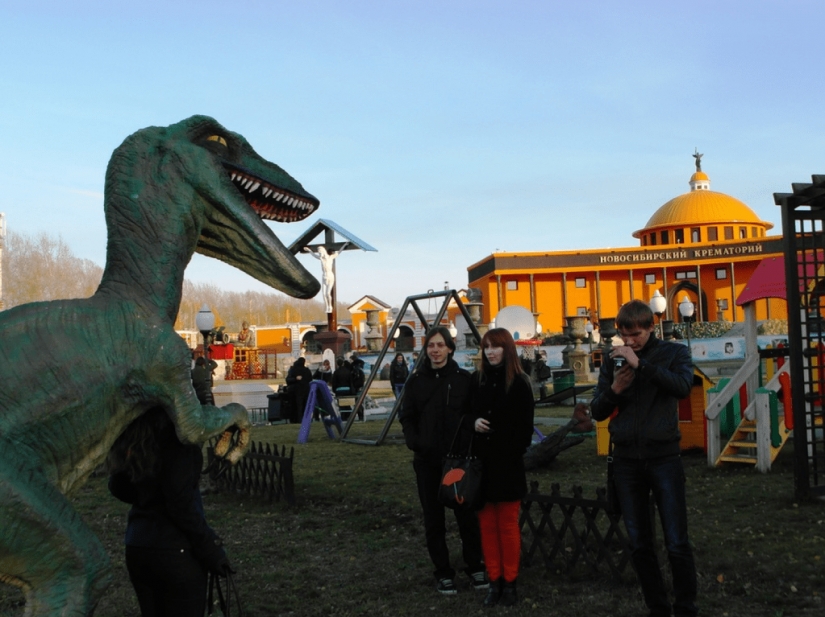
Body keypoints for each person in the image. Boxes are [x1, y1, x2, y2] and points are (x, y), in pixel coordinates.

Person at [590, 300, 698, 617]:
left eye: (635, 334)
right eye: (624, 335)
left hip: (664, 457)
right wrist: (614, 389)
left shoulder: (674, 354)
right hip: (626, 461)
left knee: (676, 540)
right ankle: (658, 607)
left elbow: (681, 387)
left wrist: (641, 365)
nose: (629, 341)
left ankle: (686, 607)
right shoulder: (613, 360)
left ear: (651, 328)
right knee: (639, 542)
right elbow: (598, 410)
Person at [108, 409, 232, 616]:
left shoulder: (135, 437)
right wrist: (210, 547)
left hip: (138, 546)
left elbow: (118, 487)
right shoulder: (178, 440)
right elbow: (180, 504)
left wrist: (147, 493)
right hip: (175, 552)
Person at [398, 326, 486, 595]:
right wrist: (416, 442)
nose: (435, 350)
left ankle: (475, 566)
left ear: (450, 348)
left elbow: (473, 414)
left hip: (458, 461)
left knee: (466, 516)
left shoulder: (463, 379)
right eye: (430, 346)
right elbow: (407, 416)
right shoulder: (416, 382)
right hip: (427, 461)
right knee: (433, 519)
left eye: (440, 345)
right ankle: (443, 572)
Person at [469, 328, 534, 607]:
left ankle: (510, 583)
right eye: (486, 348)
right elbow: (464, 413)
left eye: (495, 347)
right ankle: (493, 581)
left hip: (506, 466)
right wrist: (473, 422)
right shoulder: (477, 381)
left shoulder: (519, 383)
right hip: (481, 468)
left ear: (507, 349)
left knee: (507, 526)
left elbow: (525, 431)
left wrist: (507, 449)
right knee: (486, 526)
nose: (490, 352)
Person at [286, 357, 313, 423]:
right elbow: (310, 379)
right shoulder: (307, 370)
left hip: (295, 391)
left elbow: (288, 379)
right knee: (305, 405)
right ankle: (306, 419)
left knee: (297, 406)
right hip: (305, 391)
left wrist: (295, 379)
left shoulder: (293, 369)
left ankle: (297, 419)